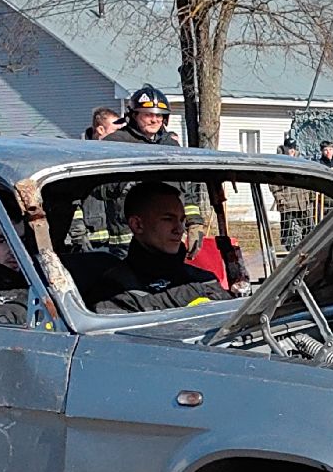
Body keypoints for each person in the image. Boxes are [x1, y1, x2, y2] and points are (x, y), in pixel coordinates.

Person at [91, 86, 207, 252]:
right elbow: (98, 189)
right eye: (148, 115)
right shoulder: (116, 143)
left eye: (159, 115)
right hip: (128, 241)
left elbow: (184, 189)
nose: (154, 120)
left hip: (165, 238)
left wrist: (194, 222)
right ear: (134, 115)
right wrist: (126, 184)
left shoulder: (171, 145)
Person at [91, 181, 232, 314]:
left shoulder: (203, 279)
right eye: (168, 219)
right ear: (137, 225)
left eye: (182, 220)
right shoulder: (114, 291)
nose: (180, 229)